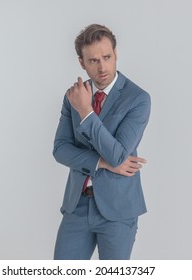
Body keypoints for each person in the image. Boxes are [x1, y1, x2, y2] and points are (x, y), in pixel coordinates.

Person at [52, 24, 151, 260]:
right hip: (77, 206)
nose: (102, 66)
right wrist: (101, 163)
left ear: (116, 54)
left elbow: (118, 155)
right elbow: (60, 150)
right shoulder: (74, 96)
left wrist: (86, 112)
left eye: (107, 57)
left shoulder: (138, 99)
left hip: (118, 210)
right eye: (93, 60)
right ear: (82, 63)